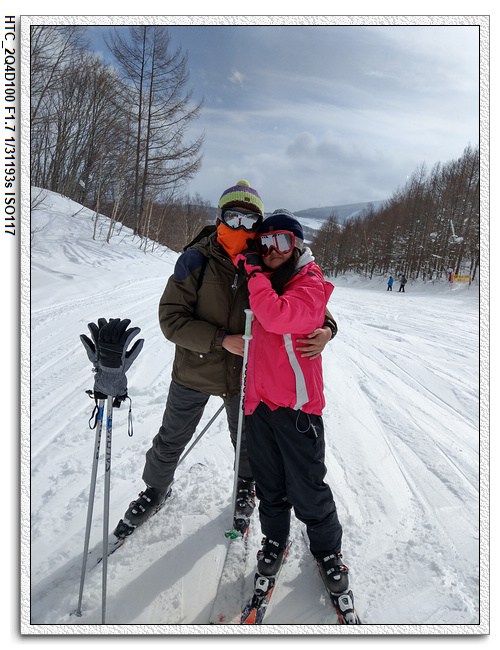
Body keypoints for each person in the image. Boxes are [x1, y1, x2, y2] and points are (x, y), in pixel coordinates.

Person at [113, 181, 336, 539]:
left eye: (250, 221)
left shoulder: (266, 261)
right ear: (220, 218)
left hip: (246, 376)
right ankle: (155, 489)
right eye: (233, 217)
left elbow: (306, 303)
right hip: (195, 369)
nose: (241, 227)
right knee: (171, 438)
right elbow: (171, 319)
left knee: (247, 443)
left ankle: (245, 486)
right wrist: (220, 340)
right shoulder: (196, 259)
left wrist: (327, 328)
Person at [234, 209, 349, 596]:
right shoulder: (267, 280)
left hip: (298, 409)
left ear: (297, 245)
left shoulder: (308, 280)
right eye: (264, 243)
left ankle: (328, 551)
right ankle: (274, 539)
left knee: (307, 487)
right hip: (260, 405)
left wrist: (253, 272)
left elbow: (278, 317)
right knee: (269, 485)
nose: (272, 250)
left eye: (281, 241)